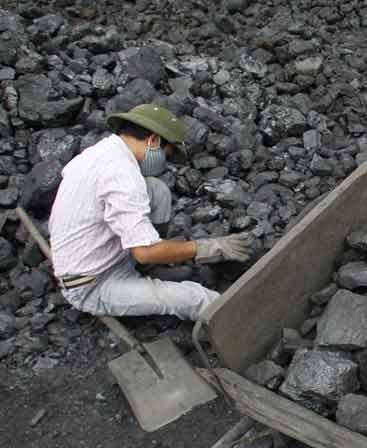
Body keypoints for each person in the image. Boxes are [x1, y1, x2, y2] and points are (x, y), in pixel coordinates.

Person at [48, 104, 255, 321]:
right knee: (197, 298)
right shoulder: (122, 175)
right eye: (165, 154)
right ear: (153, 140)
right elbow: (143, 252)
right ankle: (248, 326)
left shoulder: (103, 152)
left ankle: (151, 262)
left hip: (95, 254)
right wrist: (209, 247)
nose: (163, 162)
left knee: (156, 190)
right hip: (92, 283)